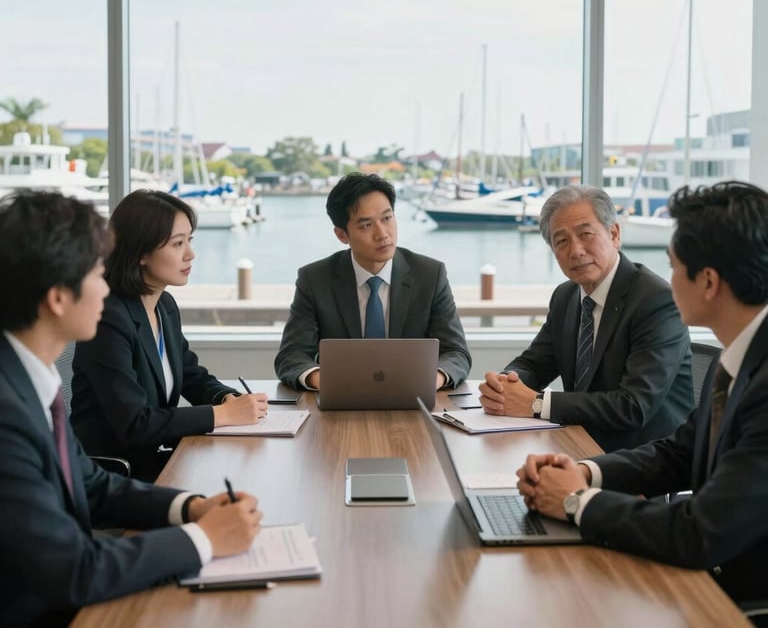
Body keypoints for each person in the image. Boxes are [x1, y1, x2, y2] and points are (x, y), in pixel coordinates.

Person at [0, 190, 262, 628]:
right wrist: (204, 539)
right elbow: (74, 570)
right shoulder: (7, 414)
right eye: (95, 273)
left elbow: (92, 484)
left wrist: (192, 507)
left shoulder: (30, 380)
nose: (106, 286)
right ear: (58, 298)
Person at [516, 181, 768, 621]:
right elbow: (677, 453)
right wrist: (584, 471)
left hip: (738, 606)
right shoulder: (741, 359)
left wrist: (576, 501)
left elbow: (698, 531)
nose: (667, 279)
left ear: (708, 282)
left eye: (674, 266)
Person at [71, 190, 268, 481]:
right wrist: (223, 415)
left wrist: (227, 398)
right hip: (116, 475)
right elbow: (135, 423)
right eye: (178, 244)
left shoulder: (164, 304)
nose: (190, 254)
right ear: (140, 252)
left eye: (190, 240)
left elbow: (191, 376)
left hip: (158, 458)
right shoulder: (108, 317)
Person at [479, 184, 692, 452]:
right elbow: (534, 364)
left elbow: (633, 406)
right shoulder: (566, 296)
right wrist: (504, 386)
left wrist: (537, 403)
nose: (576, 250)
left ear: (614, 234)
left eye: (586, 234)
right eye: (561, 241)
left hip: (643, 457)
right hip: (577, 442)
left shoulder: (656, 301)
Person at [275, 172, 471, 391]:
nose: (383, 234)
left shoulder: (430, 274)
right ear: (342, 235)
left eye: (387, 218)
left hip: (413, 398)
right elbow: (291, 355)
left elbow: (456, 352)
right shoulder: (315, 279)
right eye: (366, 225)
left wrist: (432, 380)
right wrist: (325, 381)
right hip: (341, 399)